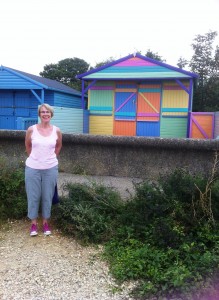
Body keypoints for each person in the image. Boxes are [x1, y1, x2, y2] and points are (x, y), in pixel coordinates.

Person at [25, 103, 62, 236]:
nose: (45, 114)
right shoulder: (31, 129)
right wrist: (36, 159)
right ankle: (33, 223)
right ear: (39, 114)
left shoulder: (56, 130)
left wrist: (50, 159)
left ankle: (45, 222)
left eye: (47, 112)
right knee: (33, 196)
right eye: (42, 112)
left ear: (51, 114)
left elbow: (58, 147)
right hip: (32, 168)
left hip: (50, 168)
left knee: (47, 196)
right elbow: (28, 146)